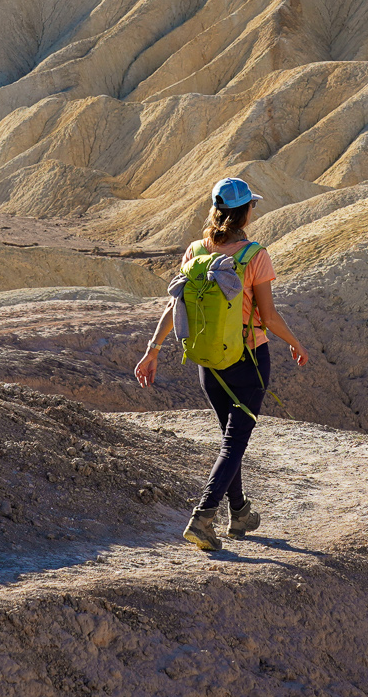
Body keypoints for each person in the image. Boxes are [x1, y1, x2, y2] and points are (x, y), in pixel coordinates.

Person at [134, 176, 307, 551]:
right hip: (248, 359)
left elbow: (173, 305)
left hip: (208, 363)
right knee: (234, 442)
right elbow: (270, 316)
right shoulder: (253, 255)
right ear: (245, 212)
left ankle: (240, 512)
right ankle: (203, 516)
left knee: (232, 441)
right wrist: (296, 343)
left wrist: (153, 349)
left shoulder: (195, 252)